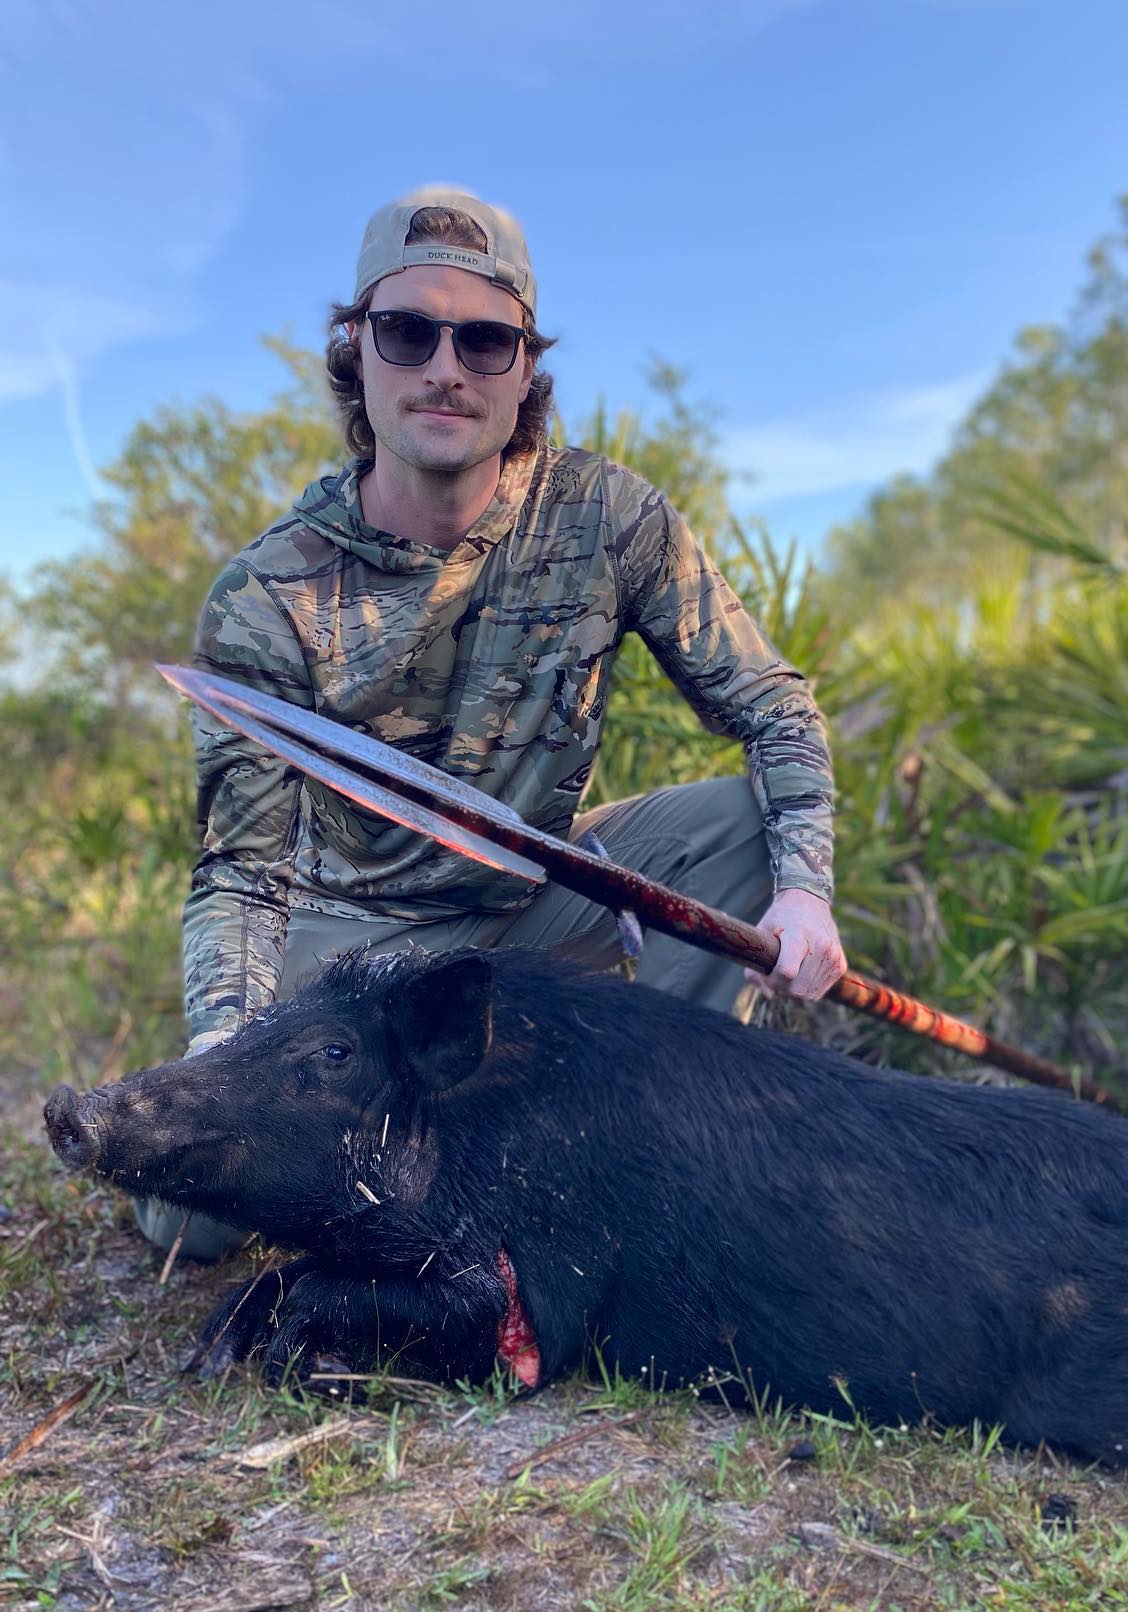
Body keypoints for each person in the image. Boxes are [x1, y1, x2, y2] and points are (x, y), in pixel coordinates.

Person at [138, 184, 845, 1259]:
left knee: (743, 830)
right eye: (409, 330)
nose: (445, 368)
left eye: (485, 340)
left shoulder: (611, 517)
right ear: (357, 352)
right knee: (190, 1223)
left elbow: (774, 709)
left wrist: (802, 891)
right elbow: (240, 871)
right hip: (348, 940)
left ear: (526, 370)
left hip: (531, 895)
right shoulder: (269, 591)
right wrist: (231, 1051)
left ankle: (659, 1156)